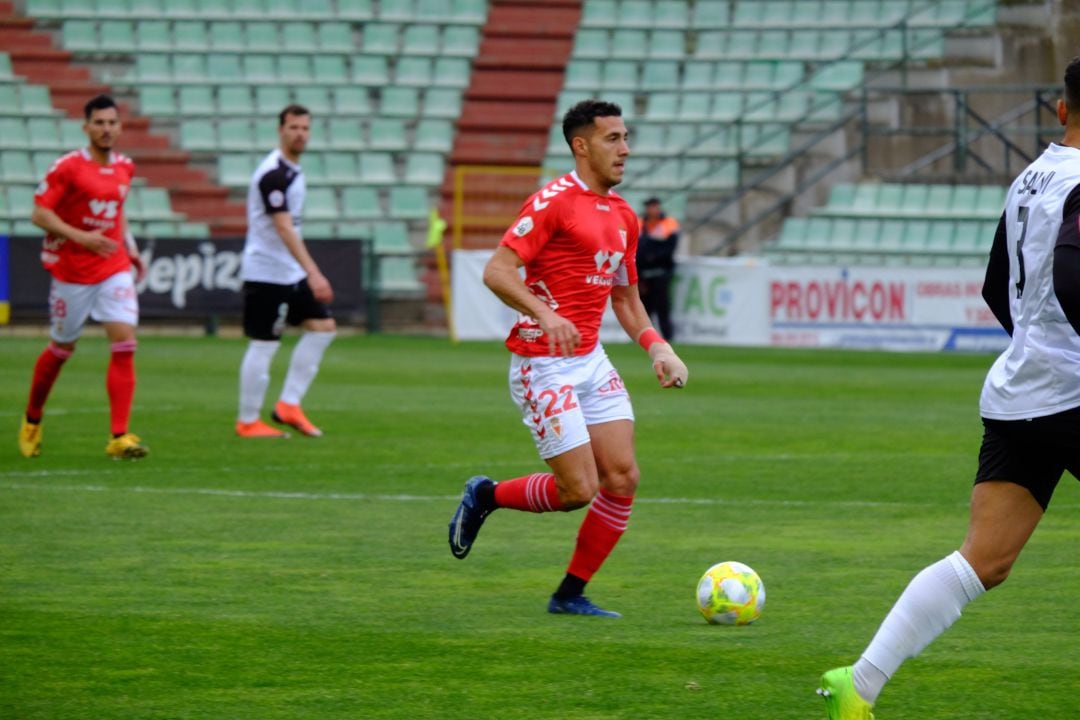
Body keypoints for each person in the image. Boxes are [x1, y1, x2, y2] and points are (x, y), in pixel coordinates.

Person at [818, 56, 1080, 719]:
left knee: (984, 561)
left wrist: (1036, 341)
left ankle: (860, 684)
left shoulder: (1031, 178)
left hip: (1023, 391)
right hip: (1072, 391)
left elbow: (997, 286)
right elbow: (1073, 284)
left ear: (1060, 108)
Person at [447, 100, 690, 618]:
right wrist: (543, 312)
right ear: (581, 146)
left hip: (590, 360)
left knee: (622, 477)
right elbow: (497, 270)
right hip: (544, 361)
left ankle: (570, 594)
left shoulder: (625, 215)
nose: (625, 149)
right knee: (577, 489)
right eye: (612, 139)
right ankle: (487, 495)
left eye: (626, 138)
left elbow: (625, 298)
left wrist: (658, 347)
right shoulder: (553, 202)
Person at [18, 94, 148, 460]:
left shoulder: (126, 167)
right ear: (86, 127)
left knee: (124, 342)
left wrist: (130, 247)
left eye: (112, 123)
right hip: (72, 271)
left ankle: (119, 437)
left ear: (120, 127)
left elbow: (117, 213)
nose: (106, 130)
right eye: (99, 123)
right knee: (62, 349)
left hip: (112, 267)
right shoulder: (69, 167)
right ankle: (32, 419)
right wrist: (81, 237)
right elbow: (39, 214)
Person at [235, 104, 336, 439]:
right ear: (281, 130)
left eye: (305, 128)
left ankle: (289, 405)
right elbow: (283, 228)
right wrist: (314, 272)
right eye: (293, 128)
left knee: (323, 327)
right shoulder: (273, 174)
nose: (300, 134)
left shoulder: (293, 171)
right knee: (264, 343)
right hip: (266, 272)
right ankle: (248, 420)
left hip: (289, 271)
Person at [636, 197, 679, 340]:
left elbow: (670, 248)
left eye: (654, 206)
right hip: (643, 273)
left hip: (661, 272)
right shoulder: (639, 223)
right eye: (649, 206)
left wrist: (653, 257)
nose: (652, 209)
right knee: (644, 308)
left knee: (662, 307)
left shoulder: (669, 223)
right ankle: (646, 338)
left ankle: (668, 337)